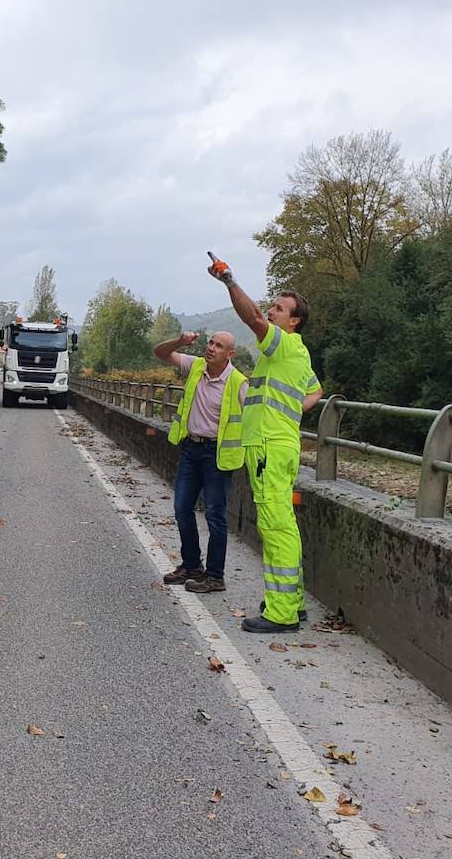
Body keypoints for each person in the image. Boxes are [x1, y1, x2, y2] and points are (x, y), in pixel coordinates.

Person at [206, 253, 322, 633]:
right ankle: (294, 602)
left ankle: (282, 613)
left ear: (294, 321)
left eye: (279, 308)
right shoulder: (295, 356)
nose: (271, 312)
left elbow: (252, 319)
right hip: (277, 444)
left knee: (276, 527)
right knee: (282, 523)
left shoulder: (285, 347)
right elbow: (315, 391)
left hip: (270, 448)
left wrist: (229, 281)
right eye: (272, 305)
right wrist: (289, 413)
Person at [152, 329, 248, 593]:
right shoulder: (195, 366)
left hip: (216, 455)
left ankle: (215, 576)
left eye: (219, 346)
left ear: (230, 354)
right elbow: (160, 353)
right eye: (210, 343)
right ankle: (192, 566)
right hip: (190, 449)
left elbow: (252, 421)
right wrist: (180, 341)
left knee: (215, 515)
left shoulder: (238, 382)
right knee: (182, 508)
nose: (211, 348)